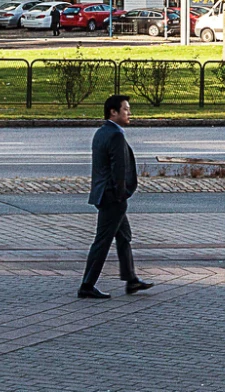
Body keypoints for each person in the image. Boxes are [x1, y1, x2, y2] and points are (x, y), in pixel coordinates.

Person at [80, 94, 151, 298]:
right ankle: (86, 285)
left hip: (104, 195)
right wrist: (122, 195)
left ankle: (131, 280)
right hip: (113, 198)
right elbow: (118, 170)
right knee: (102, 241)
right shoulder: (115, 136)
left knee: (124, 236)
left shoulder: (101, 133)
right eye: (126, 109)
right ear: (114, 112)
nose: (129, 113)